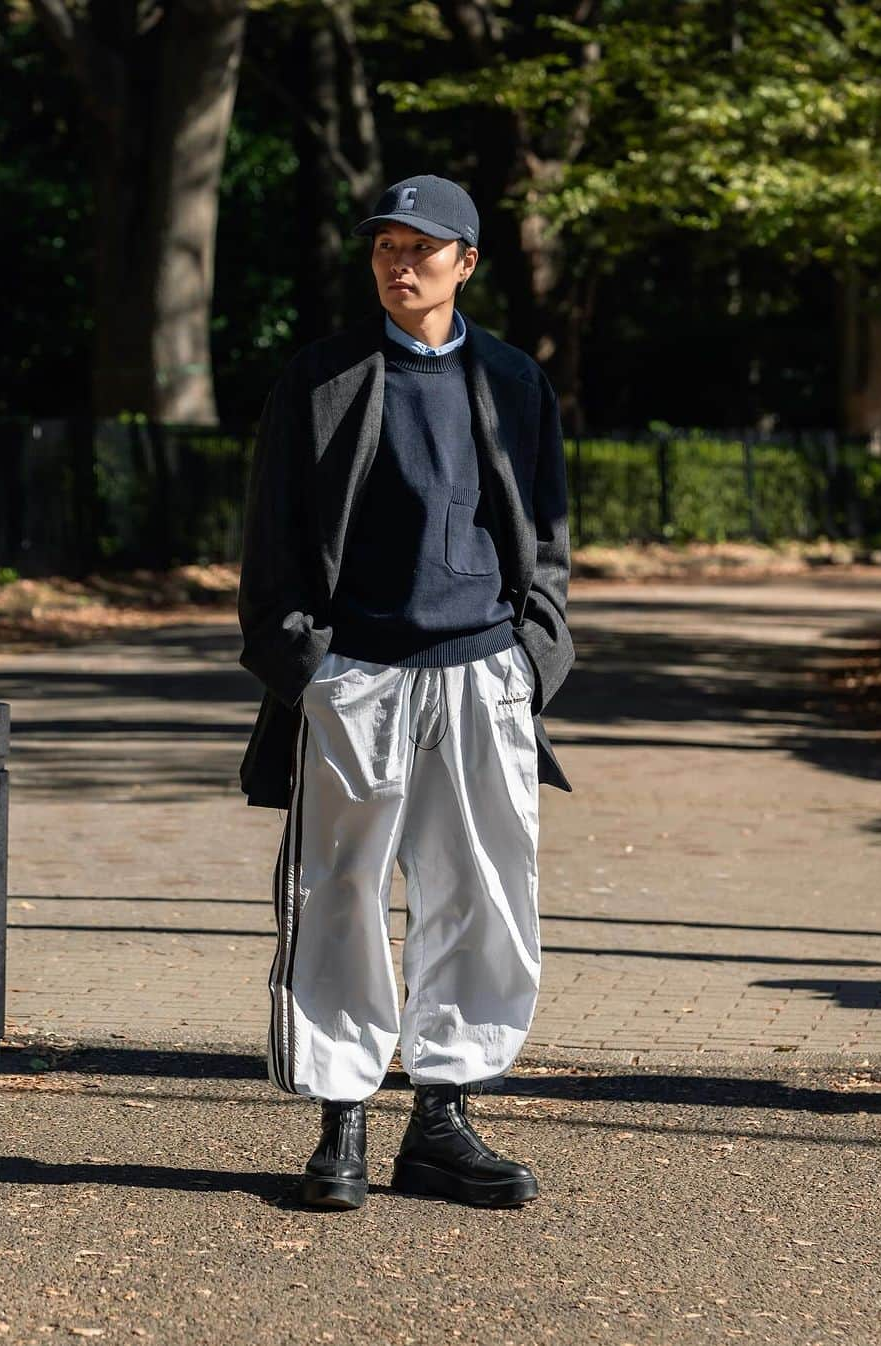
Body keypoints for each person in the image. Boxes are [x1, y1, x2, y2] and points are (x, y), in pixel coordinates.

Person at [237, 174, 575, 1210]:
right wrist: (307, 665)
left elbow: (550, 535)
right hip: (358, 678)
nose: (400, 263)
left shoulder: (515, 380)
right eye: (386, 246)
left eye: (422, 248)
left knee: (482, 896)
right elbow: (272, 537)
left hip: (483, 674)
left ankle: (443, 1119)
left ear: (467, 262)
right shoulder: (324, 376)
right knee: (336, 892)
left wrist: (533, 657)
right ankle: (341, 1121)